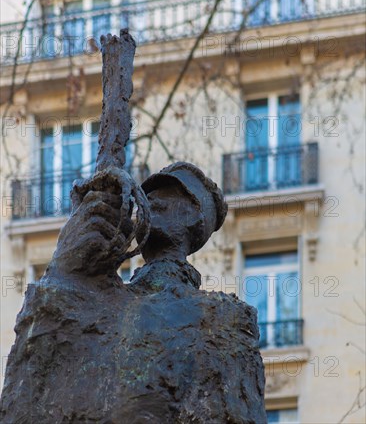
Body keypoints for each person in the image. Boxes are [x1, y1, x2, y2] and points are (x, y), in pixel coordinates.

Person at [0, 162, 266, 423]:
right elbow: (23, 398)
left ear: (197, 216)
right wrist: (63, 273)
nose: (154, 200)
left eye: (173, 195)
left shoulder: (223, 316)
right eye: (150, 194)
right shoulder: (86, 297)